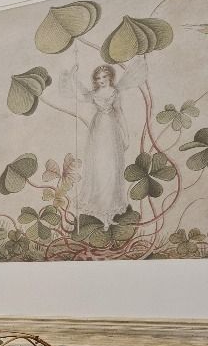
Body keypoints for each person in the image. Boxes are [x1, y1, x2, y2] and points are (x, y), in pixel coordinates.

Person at [56, 50, 148, 224]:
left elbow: (120, 114)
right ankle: (98, 208)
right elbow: (81, 96)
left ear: (110, 77)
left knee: (112, 168)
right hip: (97, 132)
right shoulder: (94, 94)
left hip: (112, 131)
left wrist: (126, 136)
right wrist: (74, 78)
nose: (101, 81)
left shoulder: (115, 93)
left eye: (104, 77)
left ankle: (111, 210)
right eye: (98, 78)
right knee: (98, 167)